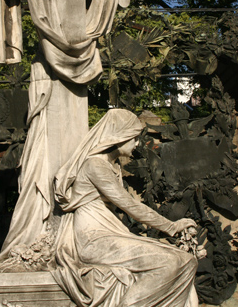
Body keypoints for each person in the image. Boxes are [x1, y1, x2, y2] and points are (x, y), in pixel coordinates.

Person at [53, 109, 199, 307]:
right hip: (94, 240)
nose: (137, 144)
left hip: (110, 234)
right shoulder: (95, 166)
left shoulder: (112, 166)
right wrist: (171, 227)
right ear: (119, 137)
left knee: (186, 261)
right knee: (169, 262)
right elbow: (130, 206)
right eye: (134, 138)